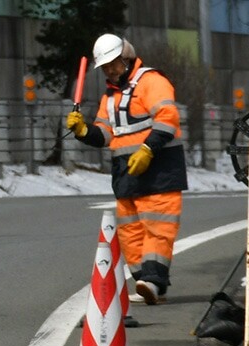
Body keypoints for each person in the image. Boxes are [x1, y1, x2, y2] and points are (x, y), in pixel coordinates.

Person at [66, 33, 188, 305]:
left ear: (127, 58)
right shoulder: (110, 97)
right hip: (126, 175)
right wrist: (83, 131)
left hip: (160, 171)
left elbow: (168, 118)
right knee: (130, 233)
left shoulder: (152, 82)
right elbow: (105, 135)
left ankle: (154, 281)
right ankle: (147, 282)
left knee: (158, 229)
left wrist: (148, 149)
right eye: (106, 66)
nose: (110, 70)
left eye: (113, 63)